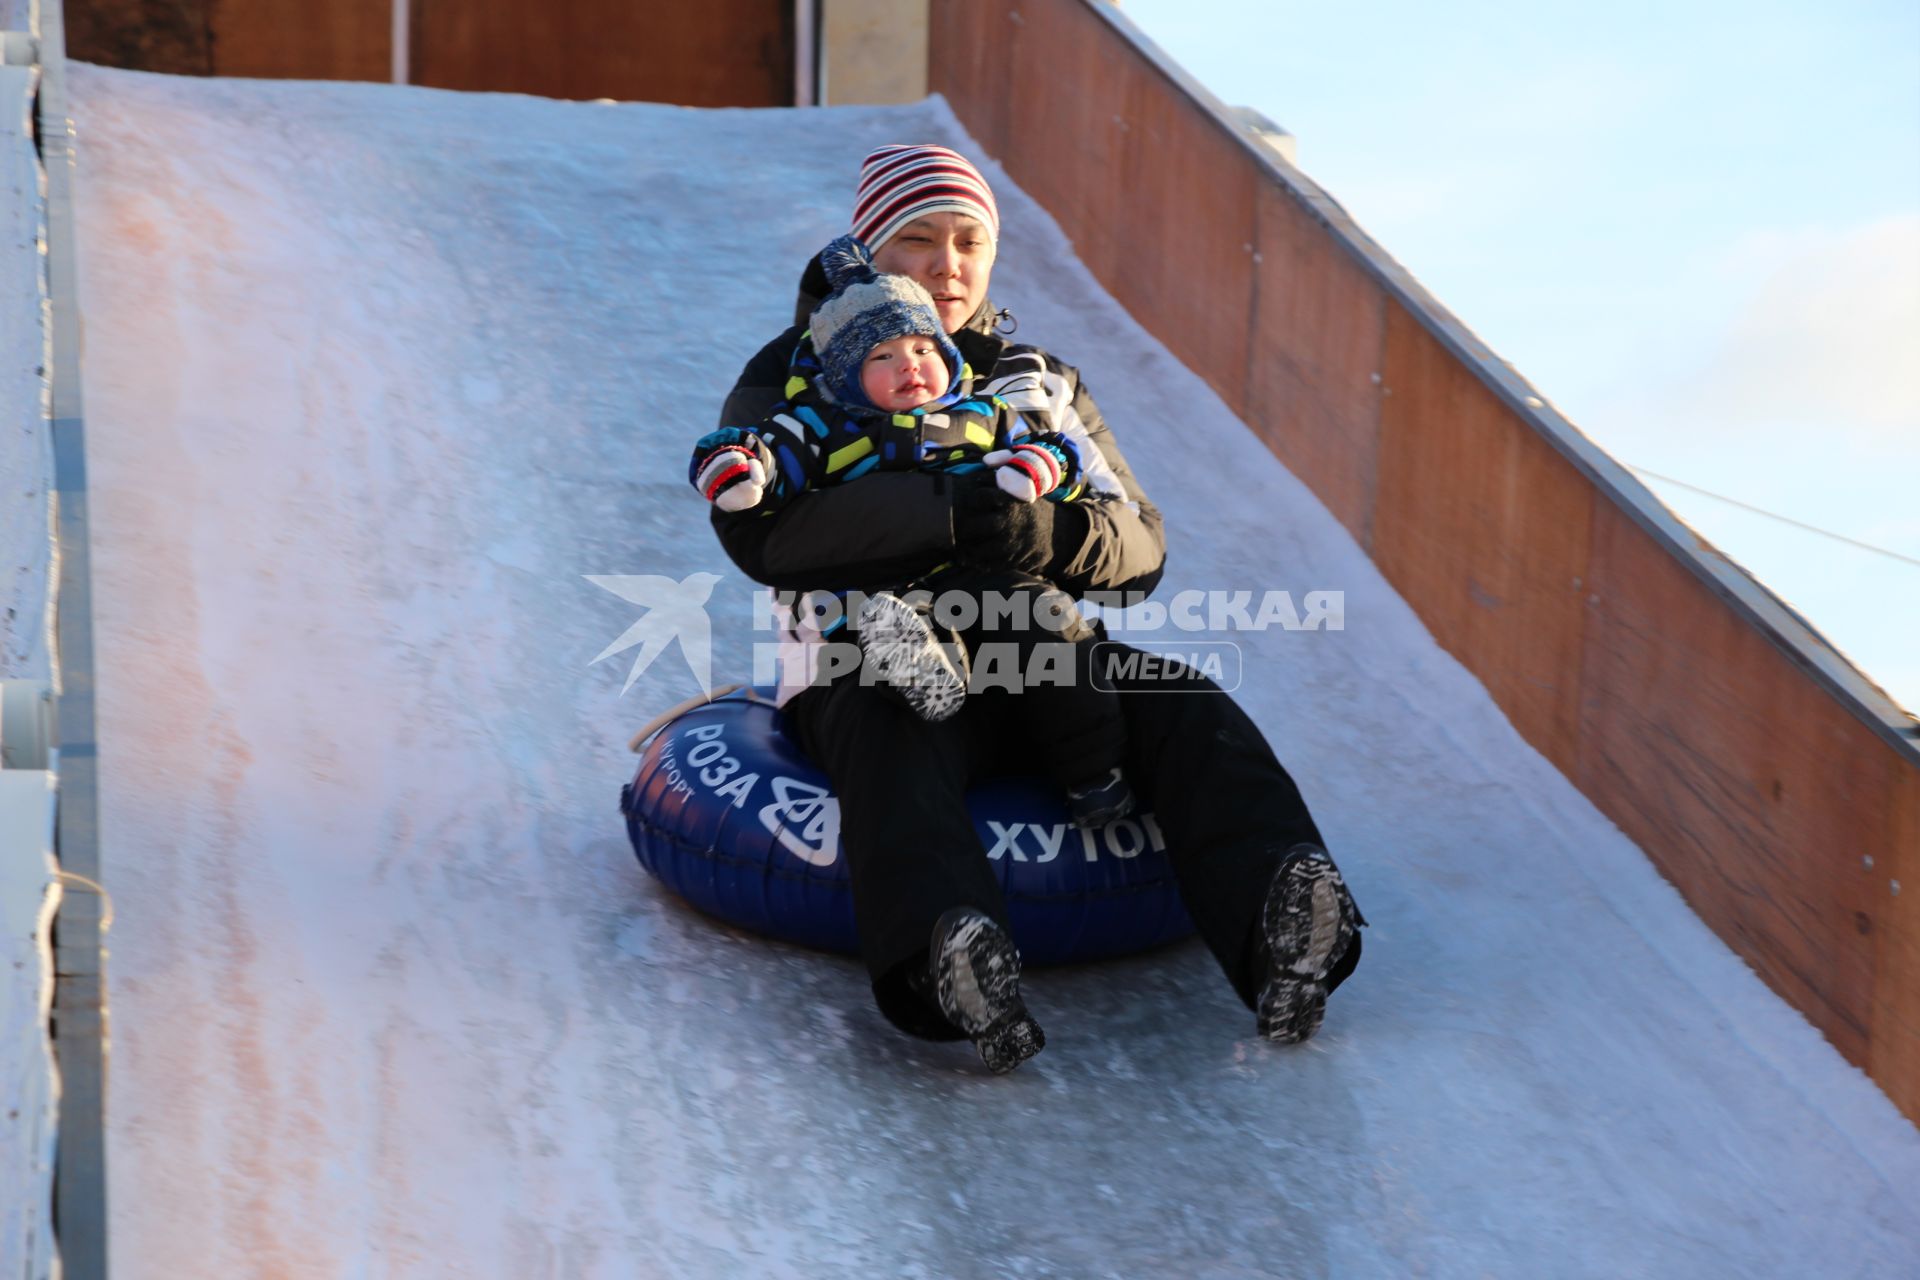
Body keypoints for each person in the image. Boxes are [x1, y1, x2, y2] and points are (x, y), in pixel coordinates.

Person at [709, 143, 1365, 1073]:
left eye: (969, 241)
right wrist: (955, 512)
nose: (948, 265)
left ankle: (1286, 928)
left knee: (1185, 707)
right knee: (889, 738)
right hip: (869, 659)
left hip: (1037, 654)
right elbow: (764, 533)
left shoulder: (1036, 380)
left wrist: (1036, 539)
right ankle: (949, 961)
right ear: (870, 248)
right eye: (919, 239)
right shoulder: (799, 373)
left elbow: (1139, 546)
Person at [688, 233, 1137, 826]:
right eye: (881, 357)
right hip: (880, 586)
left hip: (984, 577)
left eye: (923, 349)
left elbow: (1053, 461)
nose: (909, 366)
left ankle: (1093, 773)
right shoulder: (823, 429)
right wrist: (737, 466)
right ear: (847, 377)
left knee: (1047, 622)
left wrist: (1044, 467)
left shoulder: (982, 414)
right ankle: (926, 668)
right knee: (877, 622)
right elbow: (767, 463)